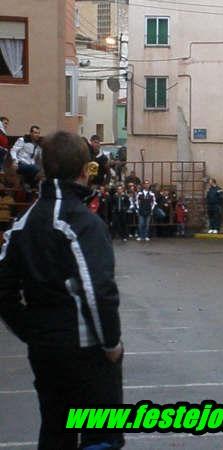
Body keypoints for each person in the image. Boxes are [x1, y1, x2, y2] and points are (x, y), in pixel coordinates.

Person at [0, 131, 124, 449]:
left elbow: (4, 290)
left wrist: (33, 331)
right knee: (101, 431)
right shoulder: (81, 222)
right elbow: (99, 291)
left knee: (56, 430)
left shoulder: (22, 224)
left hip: (45, 350)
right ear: (85, 170)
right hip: (86, 350)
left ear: (43, 168)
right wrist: (111, 343)